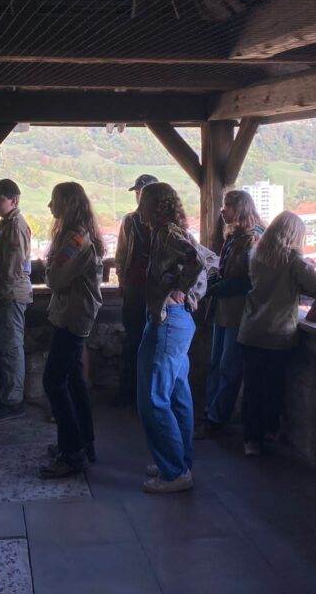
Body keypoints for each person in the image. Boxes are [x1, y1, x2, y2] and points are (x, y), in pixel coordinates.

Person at [137, 182, 209, 494]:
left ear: (155, 206)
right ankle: (179, 461)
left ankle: (174, 472)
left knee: (153, 397)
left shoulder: (167, 232)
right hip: (178, 321)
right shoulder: (171, 231)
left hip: (168, 320)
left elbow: (197, 261)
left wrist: (179, 289)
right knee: (178, 394)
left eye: (143, 201)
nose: (139, 207)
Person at [236, 211, 316, 455]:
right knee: (273, 387)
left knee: (252, 387)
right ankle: (269, 431)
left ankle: (250, 439)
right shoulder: (292, 259)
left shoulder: (256, 254)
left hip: (251, 329)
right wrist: (308, 264)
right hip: (278, 333)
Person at [39, 183, 104, 479]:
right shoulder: (80, 235)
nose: (50, 206)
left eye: (54, 200)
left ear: (67, 204)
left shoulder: (74, 239)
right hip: (76, 316)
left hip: (72, 318)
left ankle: (72, 453)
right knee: (74, 381)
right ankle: (83, 442)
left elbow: (54, 279)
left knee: (54, 381)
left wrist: (48, 265)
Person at [199, 189, 261, 438]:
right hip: (224, 310)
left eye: (228, 206)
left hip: (238, 311)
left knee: (228, 366)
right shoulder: (235, 237)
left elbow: (250, 281)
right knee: (217, 363)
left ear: (240, 209)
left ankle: (217, 418)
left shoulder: (253, 239)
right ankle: (211, 411)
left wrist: (217, 287)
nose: (223, 211)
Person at [0, 179, 33, 423]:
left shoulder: (16, 226)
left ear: (14, 200)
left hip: (9, 295)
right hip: (1, 296)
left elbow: (13, 268)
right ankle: (2, 394)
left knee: (10, 348)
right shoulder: (6, 224)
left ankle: (12, 401)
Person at [113, 174, 158, 407]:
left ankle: (144, 393)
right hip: (136, 287)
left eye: (142, 192)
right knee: (134, 339)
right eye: (138, 192)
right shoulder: (130, 221)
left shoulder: (164, 223)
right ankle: (131, 392)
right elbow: (121, 254)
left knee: (147, 340)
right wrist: (122, 280)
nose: (139, 196)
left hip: (154, 290)